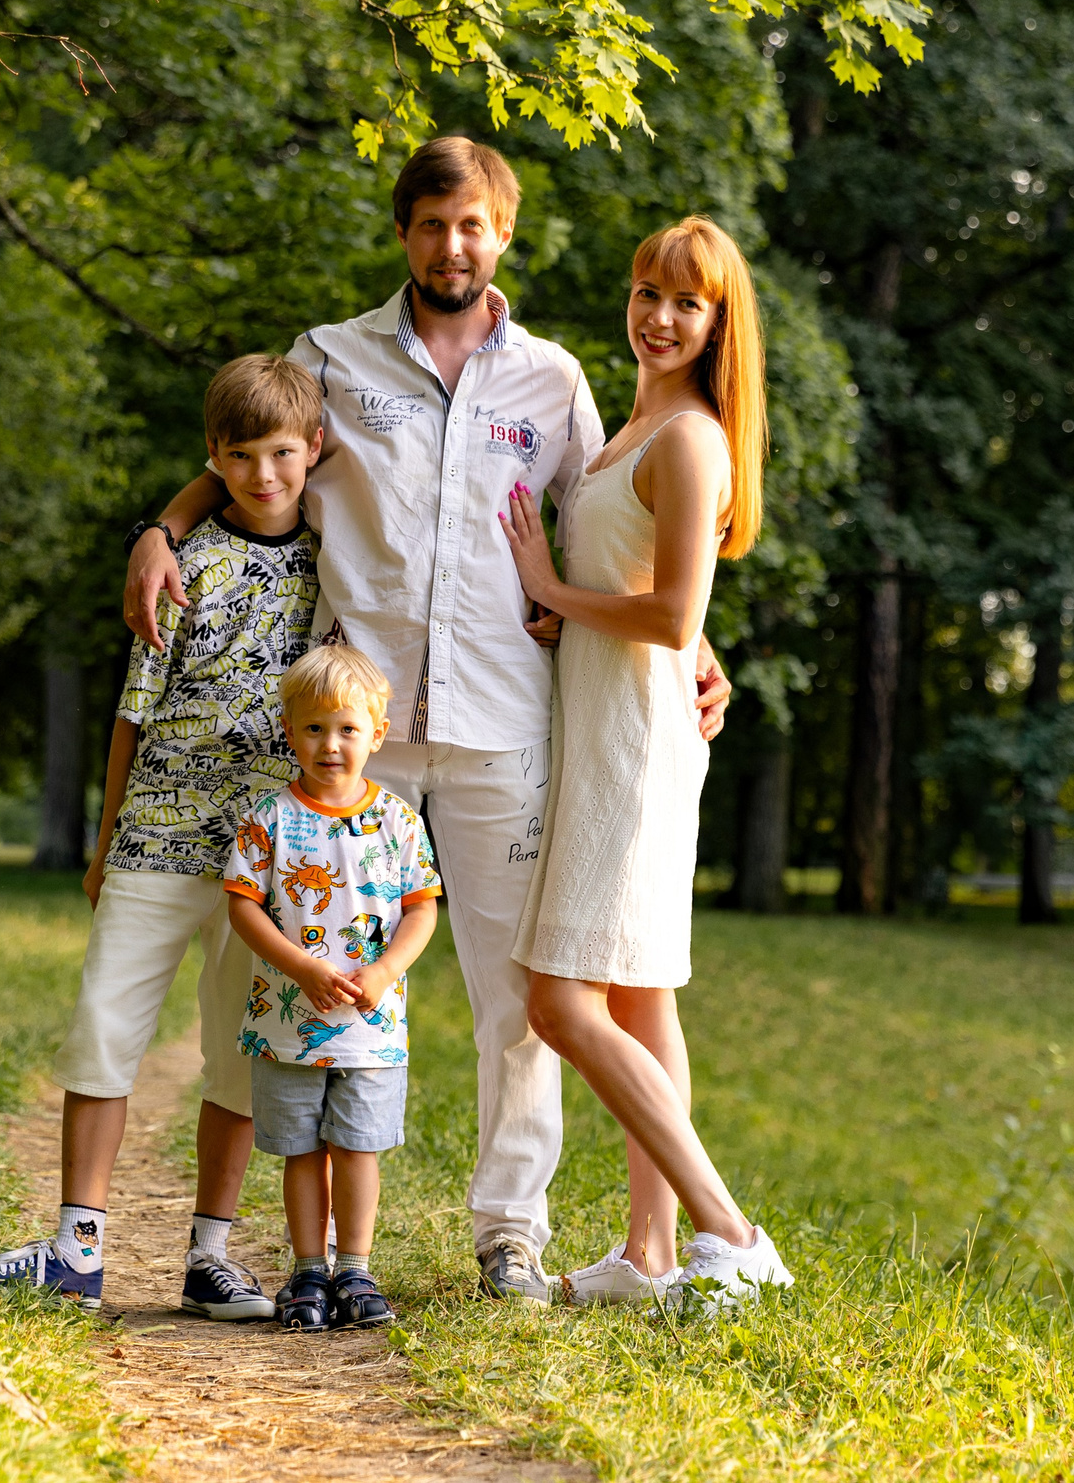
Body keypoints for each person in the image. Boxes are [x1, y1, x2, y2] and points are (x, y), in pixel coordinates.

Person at [122, 138, 734, 1303]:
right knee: (302, 968)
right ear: (403, 232)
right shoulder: (333, 358)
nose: (452, 246)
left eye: (474, 226)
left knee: (518, 995)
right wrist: (161, 526)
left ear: (504, 234)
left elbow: (613, 511)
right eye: (430, 225)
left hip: (509, 724)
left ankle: (511, 1229)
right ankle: (287, 1241)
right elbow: (261, 454)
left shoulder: (552, 378)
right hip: (360, 731)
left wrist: (697, 642)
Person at [0, 354, 325, 1319]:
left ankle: (209, 1257)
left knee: (236, 1054)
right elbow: (130, 718)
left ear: (312, 452)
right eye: (242, 456)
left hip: (263, 857)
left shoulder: (333, 566)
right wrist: (103, 843)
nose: (265, 476)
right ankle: (76, 1246)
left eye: (282, 454)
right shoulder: (181, 566)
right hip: (155, 841)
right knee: (104, 1030)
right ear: (213, 458)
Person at [498, 216, 792, 1307]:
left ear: (718, 323)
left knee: (559, 1003)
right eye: (645, 293)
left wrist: (549, 586)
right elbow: (648, 595)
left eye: (685, 302)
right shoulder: (634, 428)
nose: (658, 317)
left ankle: (731, 1233)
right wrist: (562, 620)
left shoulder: (690, 438)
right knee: (637, 996)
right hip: (607, 724)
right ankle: (649, 1254)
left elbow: (672, 617)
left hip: (636, 744)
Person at [223, 645, 443, 1330]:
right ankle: (308, 1272)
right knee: (301, 1148)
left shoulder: (399, 821)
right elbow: (243, 905)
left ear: (376, 735)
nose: (330, 744)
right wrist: (301, 967)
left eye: (347, 728)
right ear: (290, 731)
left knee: (357, 1146)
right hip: (288, 1022)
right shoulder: (270, 819)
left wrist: (382, 972)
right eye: (315, 728)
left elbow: (422, 908)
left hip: (370, 1028)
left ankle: (356, 1268)